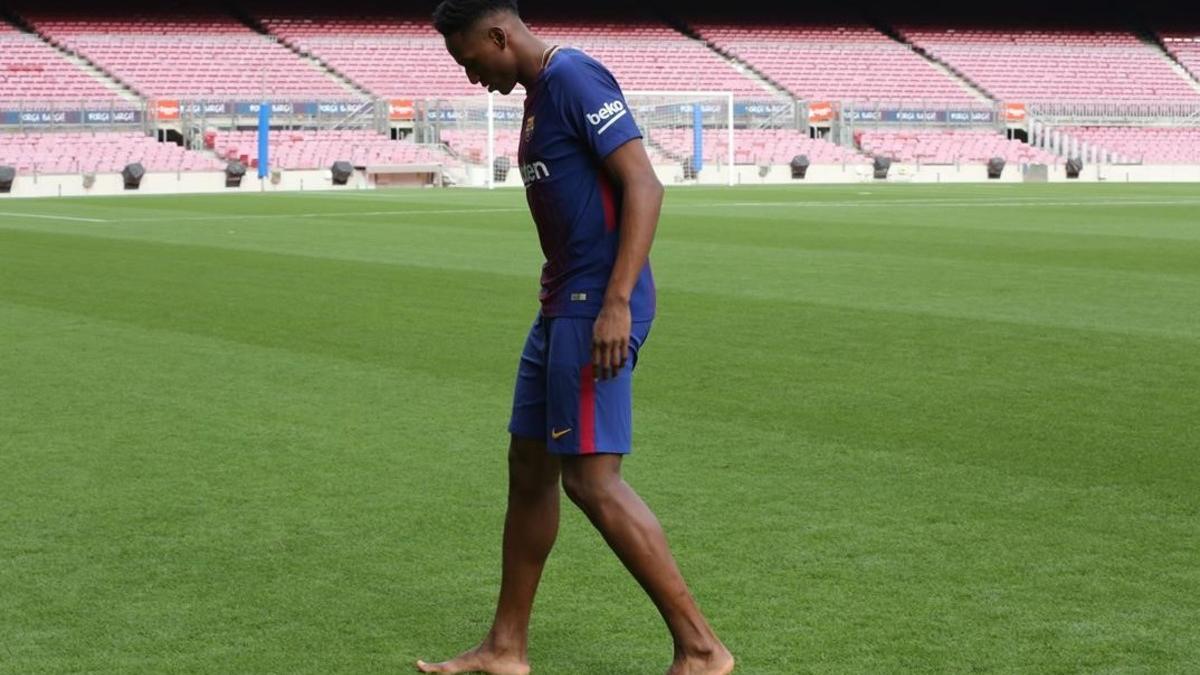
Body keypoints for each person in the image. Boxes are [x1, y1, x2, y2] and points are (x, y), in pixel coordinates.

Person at [417, 2, 734, 674]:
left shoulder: (575, 79)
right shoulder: (539, 95)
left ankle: (702, 648)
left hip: (596, 305)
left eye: (473, 61)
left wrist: (616, 301)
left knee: (592, 480)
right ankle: (506, 648)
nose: (472, 77)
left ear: (500, 36)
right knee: (529, 468)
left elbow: (644, 186)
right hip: (561, 302)